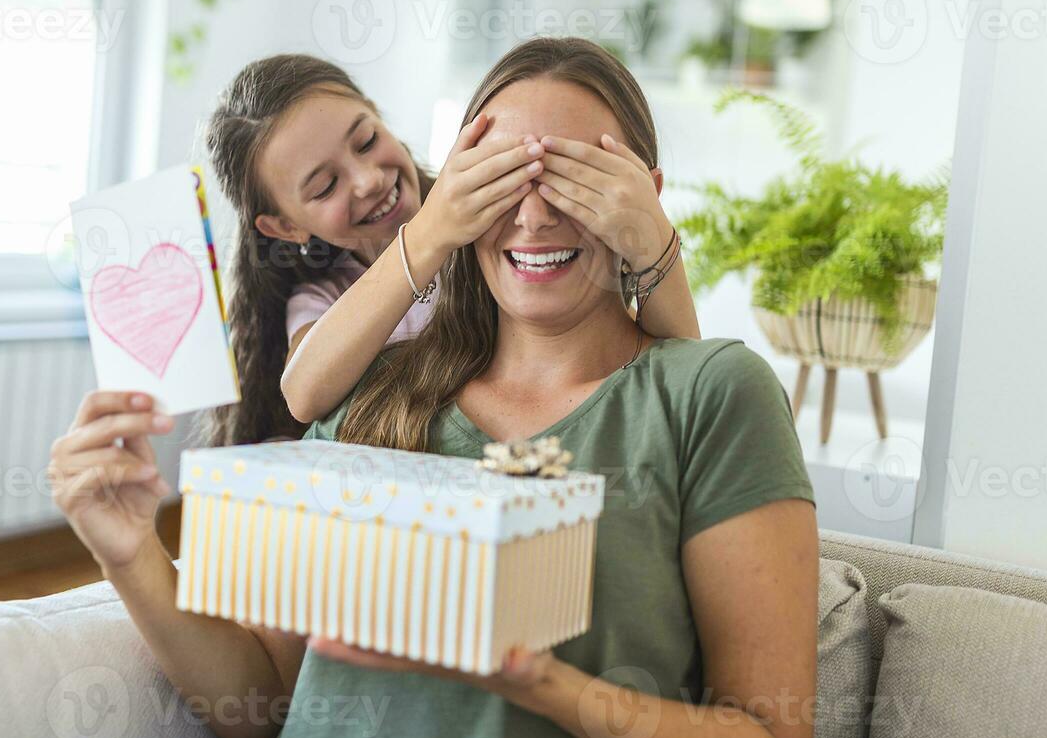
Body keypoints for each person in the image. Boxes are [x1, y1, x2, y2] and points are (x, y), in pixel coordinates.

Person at [49, 37, 818, 738]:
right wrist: (131, 553)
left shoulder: (714, 395)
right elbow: (259, 711)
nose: (534, 214)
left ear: (644, 197)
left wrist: (538, 682)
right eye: (500, 176)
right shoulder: (366, 395)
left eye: (575, 177)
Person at [201, 53, 700, 448]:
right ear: (285, 226)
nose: (369, 180)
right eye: (326, 185)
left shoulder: (494, 226)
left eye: (367, 139)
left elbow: (683, 376)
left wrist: (649, 233)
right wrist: (430, 234)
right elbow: (304, 393)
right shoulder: (325, 297)